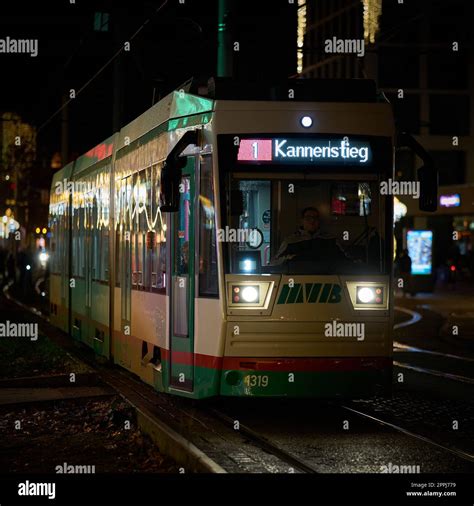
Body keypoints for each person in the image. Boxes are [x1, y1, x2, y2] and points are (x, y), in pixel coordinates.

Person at [272, 206, 348, 265]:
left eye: (315, 218)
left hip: (326, 277)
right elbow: (274, 262)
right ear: (302, 221)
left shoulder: (331, 240)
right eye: (308, 218)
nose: (312, 221)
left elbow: (346, 259)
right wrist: (292, 258)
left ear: (319, 221)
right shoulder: (290, 241)